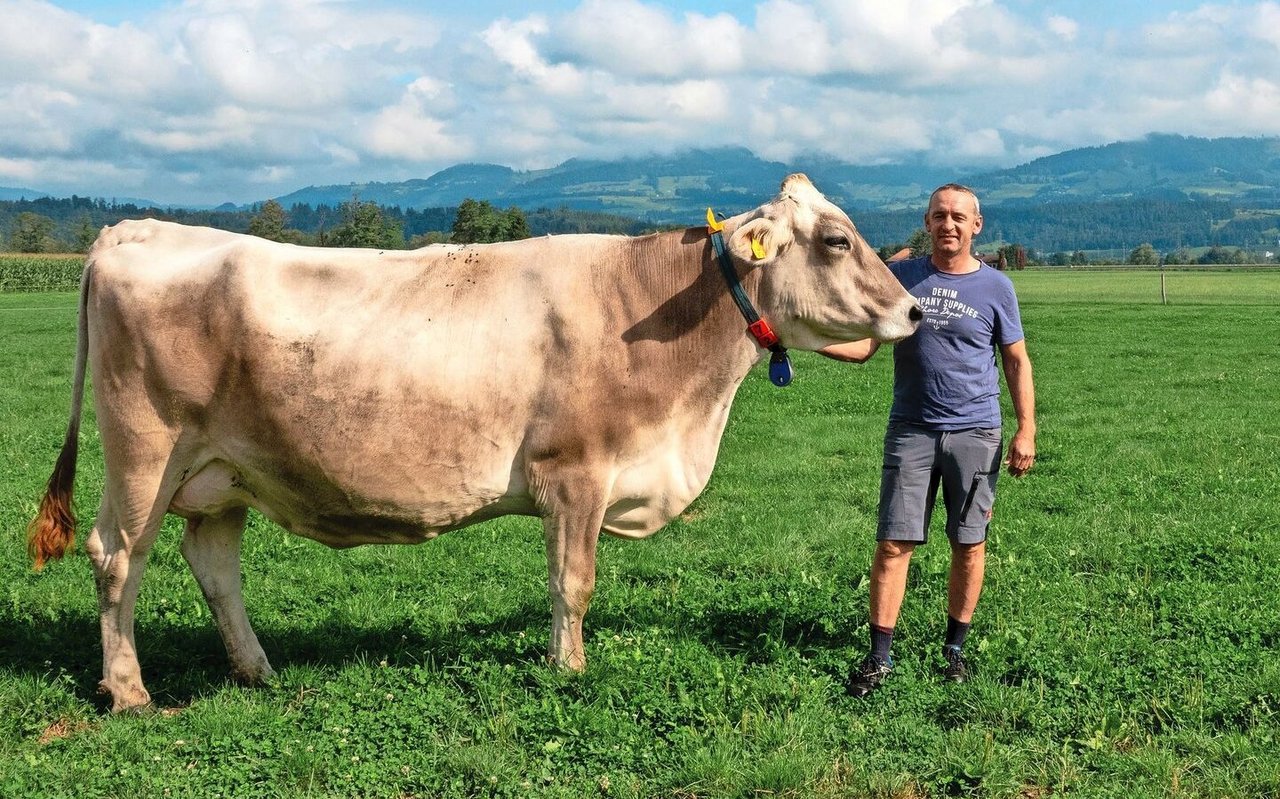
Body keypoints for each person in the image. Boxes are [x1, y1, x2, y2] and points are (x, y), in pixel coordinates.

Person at [821, 183, 1037, 696]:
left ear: (976, 226)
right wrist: (799, 338)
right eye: (940, 215)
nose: (949, 224)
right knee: (894, 543)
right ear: (927, 222)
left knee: (968, 543)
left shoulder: (997, 288)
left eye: (960, 217)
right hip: (911, 429)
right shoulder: (902, 277)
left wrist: (1026, 428)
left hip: (976, 431)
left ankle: (956, 651)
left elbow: (1015, 360)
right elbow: (866, 346)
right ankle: (879, 657)